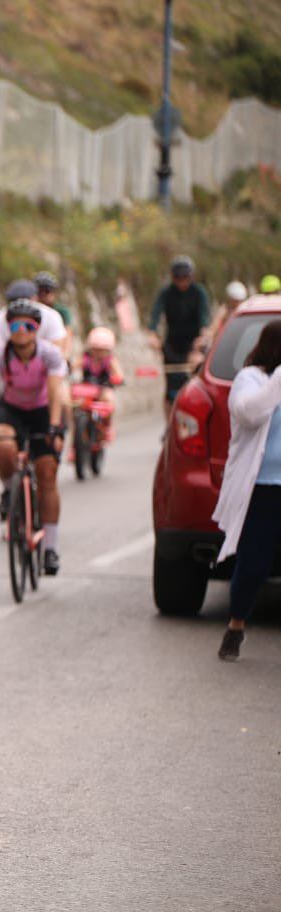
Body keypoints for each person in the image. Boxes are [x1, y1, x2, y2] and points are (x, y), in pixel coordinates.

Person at [0, 299, 68, 575]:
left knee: (47, 474)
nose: (21, 330)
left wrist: (53, 427)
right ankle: (9, 488)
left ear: (37, 329)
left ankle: (50, 547)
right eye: (15, 325)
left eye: (28, 325)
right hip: (11, 409)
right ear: (8, 329)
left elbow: (54, 393)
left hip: (42, 410)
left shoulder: (50, 354)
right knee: (0, 444)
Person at [212, 320, 281, 661]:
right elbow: (248, 413)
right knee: (254, 563)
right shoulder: (251, 379)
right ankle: (237, 624)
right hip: (263, 487)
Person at [147, 255, 211, 418]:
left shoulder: (199, 293)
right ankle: (168, 425)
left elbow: (205, 319)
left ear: (191, 276)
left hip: (193, 345)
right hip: (172, 345)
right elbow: (155, 316)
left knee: (195, 384)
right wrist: (152, 335)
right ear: (172, 277)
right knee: (170, 389)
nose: (182, 282)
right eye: (178, 278)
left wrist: (202, 337)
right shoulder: (166, 293)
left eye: (185, 278)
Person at [0, 279, 68, 358]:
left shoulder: (51, 317)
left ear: (35, 299)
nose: (20, 305)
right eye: (15, 301)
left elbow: (58, 351)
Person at [79, 326, 124, 441]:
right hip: (87, 389)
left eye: (101, 350)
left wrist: (117, 378)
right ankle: (76, 440)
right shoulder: (85, 358)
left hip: (103, 389)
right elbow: (75, 366)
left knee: (108, 400)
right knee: (75, 407)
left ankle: (107, 425)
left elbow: (118, 372)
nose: (98, 353)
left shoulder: (110, 360)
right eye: (95, 349)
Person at [34, 271, 75, 343]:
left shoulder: (61, 311)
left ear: (54, 292)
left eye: (47, 290)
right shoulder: (30, 309)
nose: (43, 294)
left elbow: (68, 333)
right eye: (39, 290)